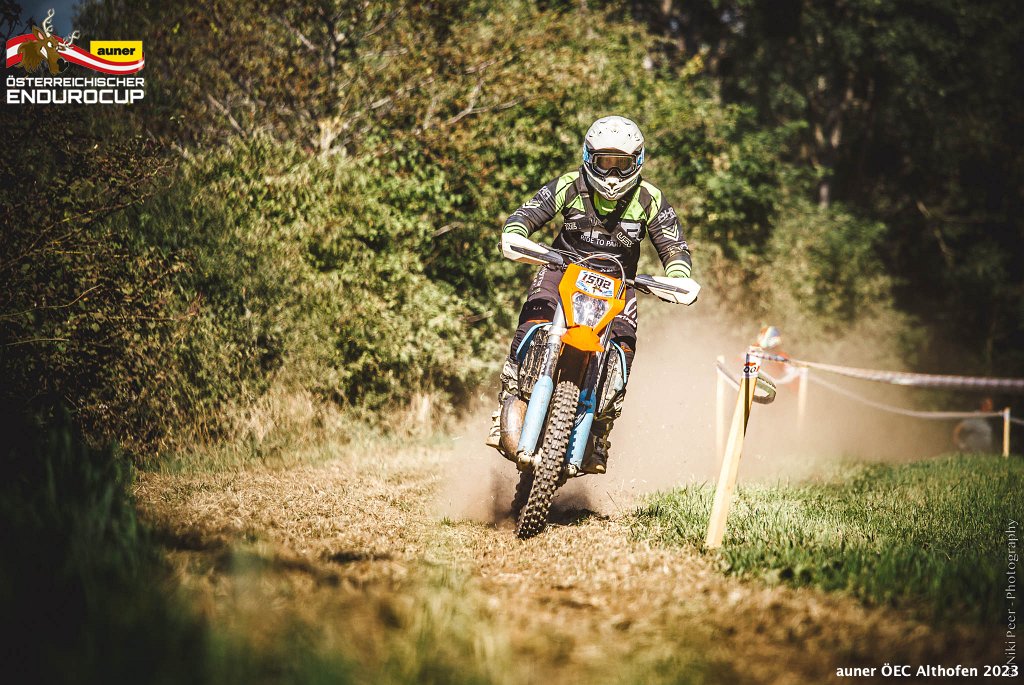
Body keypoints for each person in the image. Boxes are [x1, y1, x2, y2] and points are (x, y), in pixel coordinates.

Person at [485, 115, 693, 474]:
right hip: (562, 269)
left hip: (619, 284)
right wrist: (516, 233)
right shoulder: (570, 185)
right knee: (533, 319)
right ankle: (508, 397)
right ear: (588, 158)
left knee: (623, 349)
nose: (612, 174)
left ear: (638, 162)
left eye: (621, 164)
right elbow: (527, 213)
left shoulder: (650, 199)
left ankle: (599, 431)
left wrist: (678, 276)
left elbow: (674, 246)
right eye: (604, 162)